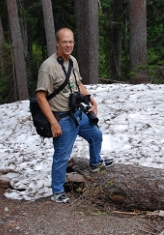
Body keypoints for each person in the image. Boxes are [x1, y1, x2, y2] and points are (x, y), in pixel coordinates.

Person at [35, 28, 113, 203]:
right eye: (65, 41)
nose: (68, 45)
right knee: (62, 156)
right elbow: (40, 97)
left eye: (71, 41)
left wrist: (92, 100)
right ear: (57, 43)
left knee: (96, 135)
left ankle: (95, 163)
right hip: (62, 119)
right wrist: (53, 123)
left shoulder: (73, 61)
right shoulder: (48, 67)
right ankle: (57, 192)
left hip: (78, 113)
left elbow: (77, 83)